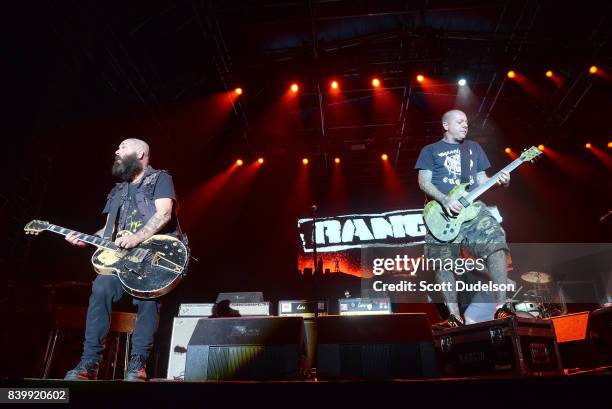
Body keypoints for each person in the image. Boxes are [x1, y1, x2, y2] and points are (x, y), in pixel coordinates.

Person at [64, 138, 180, 381]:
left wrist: (137, 238)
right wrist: (86, 238)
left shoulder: (159, 178)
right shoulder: (118, 190)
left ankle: (137, 364)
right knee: (101, 288)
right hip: (122, 259)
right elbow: (109, 231)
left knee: (148, 300)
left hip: (152, 256)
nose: (117, 151)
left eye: (123, 147)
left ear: (140, 153)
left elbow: (165, 213)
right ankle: (90, 363)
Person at [415, 109, 515, 329]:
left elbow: (482, 180)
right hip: (440, 213)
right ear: (446, 125)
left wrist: (502, 182)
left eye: (467, 122)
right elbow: (424, 182)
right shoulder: (430, 150)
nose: (465, 125)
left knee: (497, 243)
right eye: (459, 122)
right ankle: (454, 316)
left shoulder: (474, 148)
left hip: (471, 210)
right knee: (442, 262)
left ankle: (502, 306)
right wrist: (444, 200)